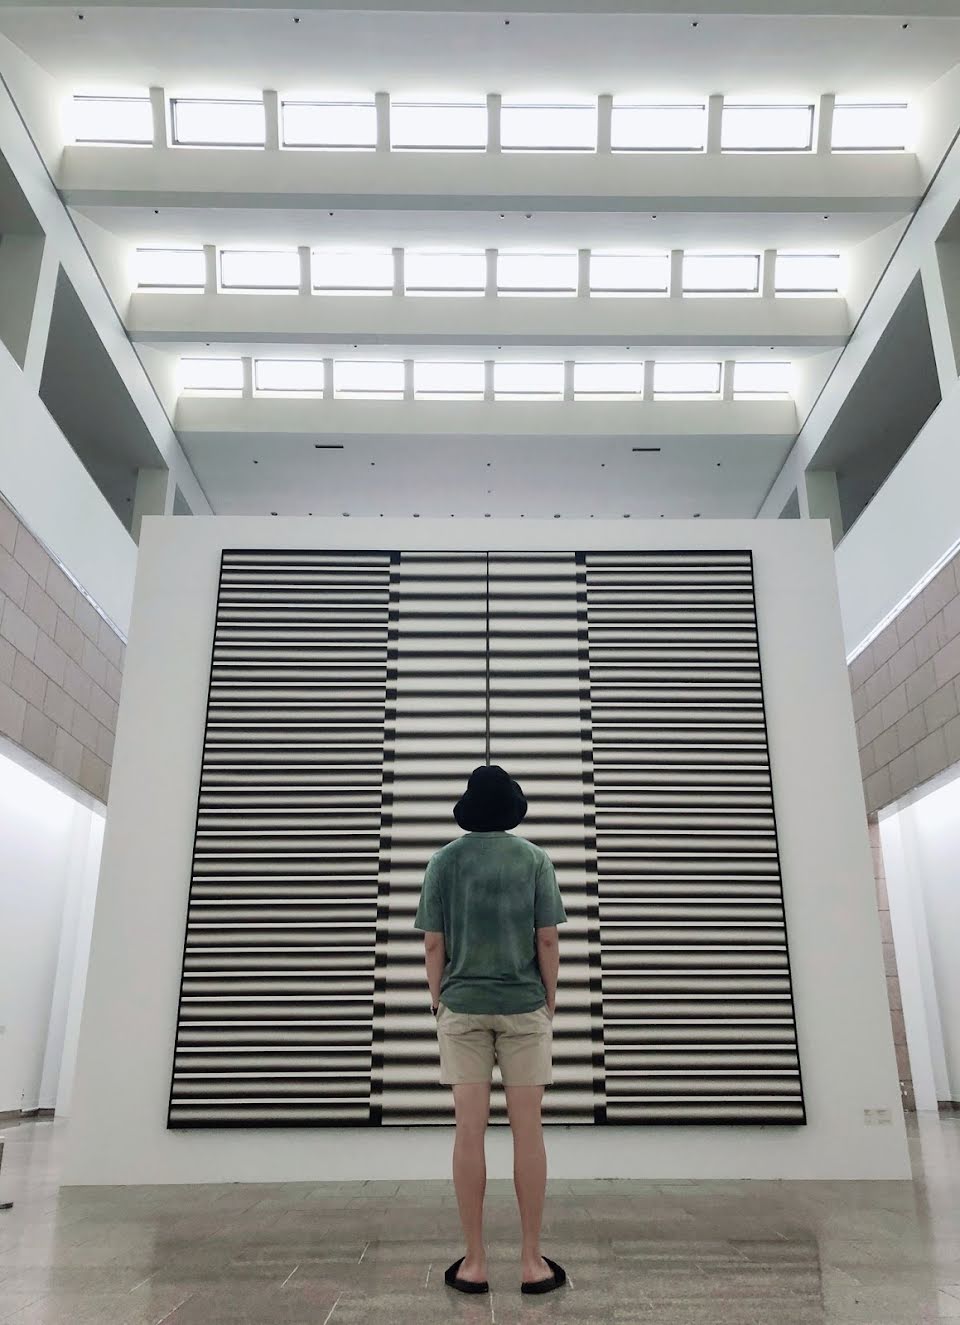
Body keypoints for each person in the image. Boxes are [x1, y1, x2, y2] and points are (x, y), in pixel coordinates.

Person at [413, 764, 568, 1296]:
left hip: (462, 1009)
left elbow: (433, 943)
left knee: (468, 1131)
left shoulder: (442, 862)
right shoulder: (535, 860)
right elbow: (547, 939)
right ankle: (532, 1262)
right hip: (524, 1008)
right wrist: (549, 998)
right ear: (511, 810)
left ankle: (475, 1262)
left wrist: (438, 998)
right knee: (529, 1131)